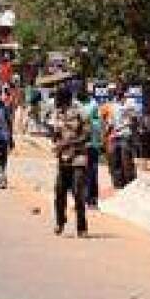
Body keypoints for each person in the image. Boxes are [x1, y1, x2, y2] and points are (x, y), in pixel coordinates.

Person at [50, 87, 89, 237]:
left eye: (59, 99)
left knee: (78, 193)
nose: (57, 102)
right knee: (59, 192)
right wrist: (55, 139)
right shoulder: (58, 113)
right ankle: (60, 221)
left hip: (78, 158)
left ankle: (82, 227)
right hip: (63, 159)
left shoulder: (80, 111)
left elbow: (86, 135)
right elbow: (55, 133)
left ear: (66, 98)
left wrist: (68, 144)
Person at [103, 86, 137, 189]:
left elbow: (133, 120)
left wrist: (126, 127)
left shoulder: (130, 104)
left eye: (117, 91)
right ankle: (118, 185)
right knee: (115, 162)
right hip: (114, 136)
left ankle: (131, 185)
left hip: (125, 135)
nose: (115, 93)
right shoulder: (112, 105)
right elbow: (110, 122)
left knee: (126, 161)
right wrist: (106, 135)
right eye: (113, 92)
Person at [80, 90, 102, 208]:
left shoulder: (91, 108)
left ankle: (91, 199)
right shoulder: (95, 117)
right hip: (88, 146)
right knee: (88, 173)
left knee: (90, 173)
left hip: (90, 146)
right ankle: (88, 199)